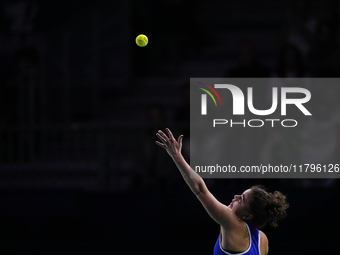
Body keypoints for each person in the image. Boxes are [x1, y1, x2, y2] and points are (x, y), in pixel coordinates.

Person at [155, 128, 289, 255]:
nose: (235, 196)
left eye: (241, 199)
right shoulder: (263, 240)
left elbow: (201, 190)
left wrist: (176, 155)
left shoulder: (232, 223)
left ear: (247, 216)